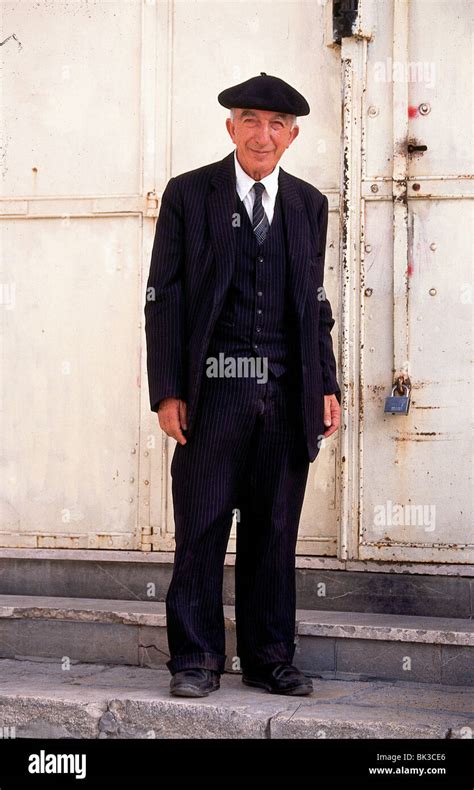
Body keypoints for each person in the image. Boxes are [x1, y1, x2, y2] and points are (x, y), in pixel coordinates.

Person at [144, 73, 341, 698]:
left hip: (285, 394)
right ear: (231, 127)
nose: (263, 134)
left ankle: (269, 659)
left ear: (292, 136)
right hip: (213, 390)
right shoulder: (189, 194)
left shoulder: (309, 204)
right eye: (250, 120)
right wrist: (168, 389)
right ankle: (196, 660)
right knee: (201, 525)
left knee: (275, 530)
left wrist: (326, 383)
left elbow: (314, 304)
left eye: (276, 125)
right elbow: (164, 298)